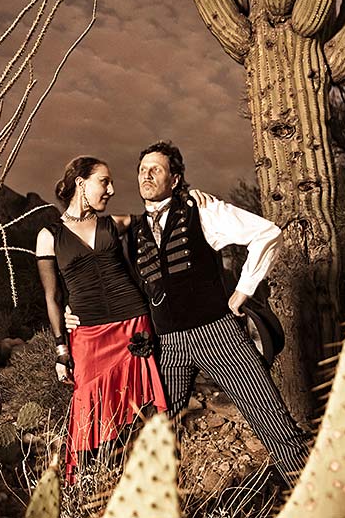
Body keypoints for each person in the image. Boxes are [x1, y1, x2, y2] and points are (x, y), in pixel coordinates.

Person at [67, 141, 309, 488]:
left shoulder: (203, 211)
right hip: (166, 345)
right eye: (142, 169)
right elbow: (95, 270)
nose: (146, 175)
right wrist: (69, 310)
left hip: (218, 336)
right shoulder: (130, 230)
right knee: (159, 436)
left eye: (157, 169)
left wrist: (243, 291)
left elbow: (266, 233)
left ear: (176, 179)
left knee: (273, 422)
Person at [35, 156, 167, 483]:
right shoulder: (49, 235)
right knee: (87, 408)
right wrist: (60, 350)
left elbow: (163, 215)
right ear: (81, 183)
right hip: (88, 334)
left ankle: (143, 480)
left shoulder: (116, 223)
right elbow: (53, 298)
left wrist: (193, 200)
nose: (111, 189)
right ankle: (92, 486)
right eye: (103, 181)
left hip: (133, 325)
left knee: (143, 409)